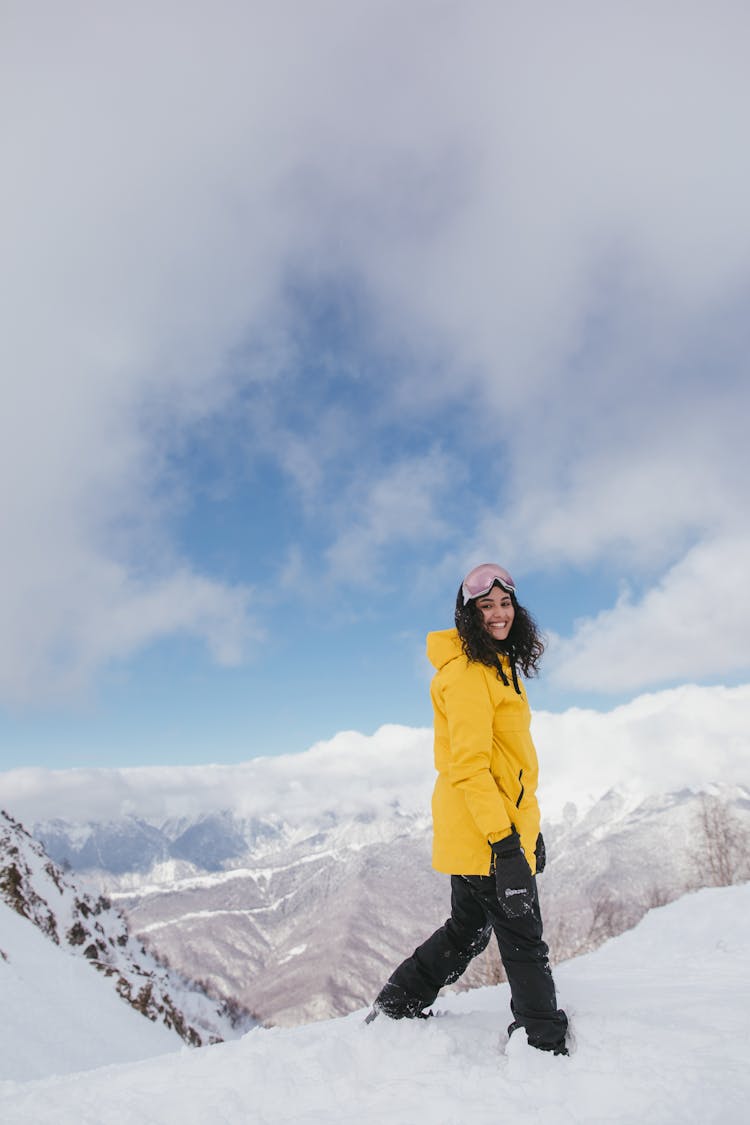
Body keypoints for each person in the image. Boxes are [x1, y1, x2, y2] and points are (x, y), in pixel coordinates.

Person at [369, 562, 568, 1055]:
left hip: (486, 826)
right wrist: (505, 846)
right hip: (484, 832)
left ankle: (398, 1005)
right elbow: (472, 769)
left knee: (467, 929)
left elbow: (511, 766)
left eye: (505, 604)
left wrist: (528, 832)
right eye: (486, 606)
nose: (498, 614)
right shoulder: (466, 677)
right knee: (522, 935)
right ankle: (542, 1039)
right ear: (468, 615)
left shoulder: (499, 666)